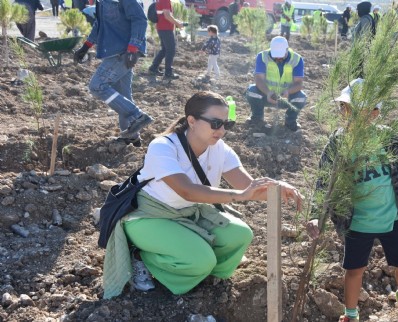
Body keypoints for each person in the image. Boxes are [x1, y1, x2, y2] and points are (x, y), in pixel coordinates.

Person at [101, 91, 303, 299]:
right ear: (192, 121)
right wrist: (241, 195)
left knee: (240, 235)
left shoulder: (220, 149)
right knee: (200, 260)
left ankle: (205, 276)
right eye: (216, 123)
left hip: (189, 212)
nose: (222, 131)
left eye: (227, 124)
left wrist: (279, 189)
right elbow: (187, 191)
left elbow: (247, 186)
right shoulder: (163, 147)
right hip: (151, 216)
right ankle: (140, 254)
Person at [306, 79, 398, 322]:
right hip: (356, 222)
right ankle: (350, 314)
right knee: (354, 270)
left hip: (391, 218)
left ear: (375, 112)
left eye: (361, 110)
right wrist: (317, 214)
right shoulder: (338, 143)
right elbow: (323, 181)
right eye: (347, 109)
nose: (352, 115)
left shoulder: (388, 138)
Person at [73, 0, 153, 147]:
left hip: (124, 52)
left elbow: (139, 19)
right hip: (113, 51)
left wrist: (133, 48)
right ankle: (130, 135)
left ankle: (137, 116)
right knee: (122, 95)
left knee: (97, 86)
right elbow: (99, 24)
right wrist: (86, 46)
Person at [245, 36, 306, 132]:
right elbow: (258, 79)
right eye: (275, 55)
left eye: (280, 55)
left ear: (287, 49)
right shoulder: (262, 57)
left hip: (286, 98)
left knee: (301, 97)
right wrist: (268, 92)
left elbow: (298, 83)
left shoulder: (297, 59)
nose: (278, 57)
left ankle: (290, 121)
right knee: (251, 91)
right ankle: (257, 118)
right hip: (266, 95)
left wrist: (288, 91)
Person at [148, 0, 186, 81]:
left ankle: (153, 68)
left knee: (165, 50)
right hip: (166, 29)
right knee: (171, 50)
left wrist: (176, 21)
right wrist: (178, 24)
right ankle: (168, 72)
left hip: (162, 28)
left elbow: (164, 15)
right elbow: (167, 16)